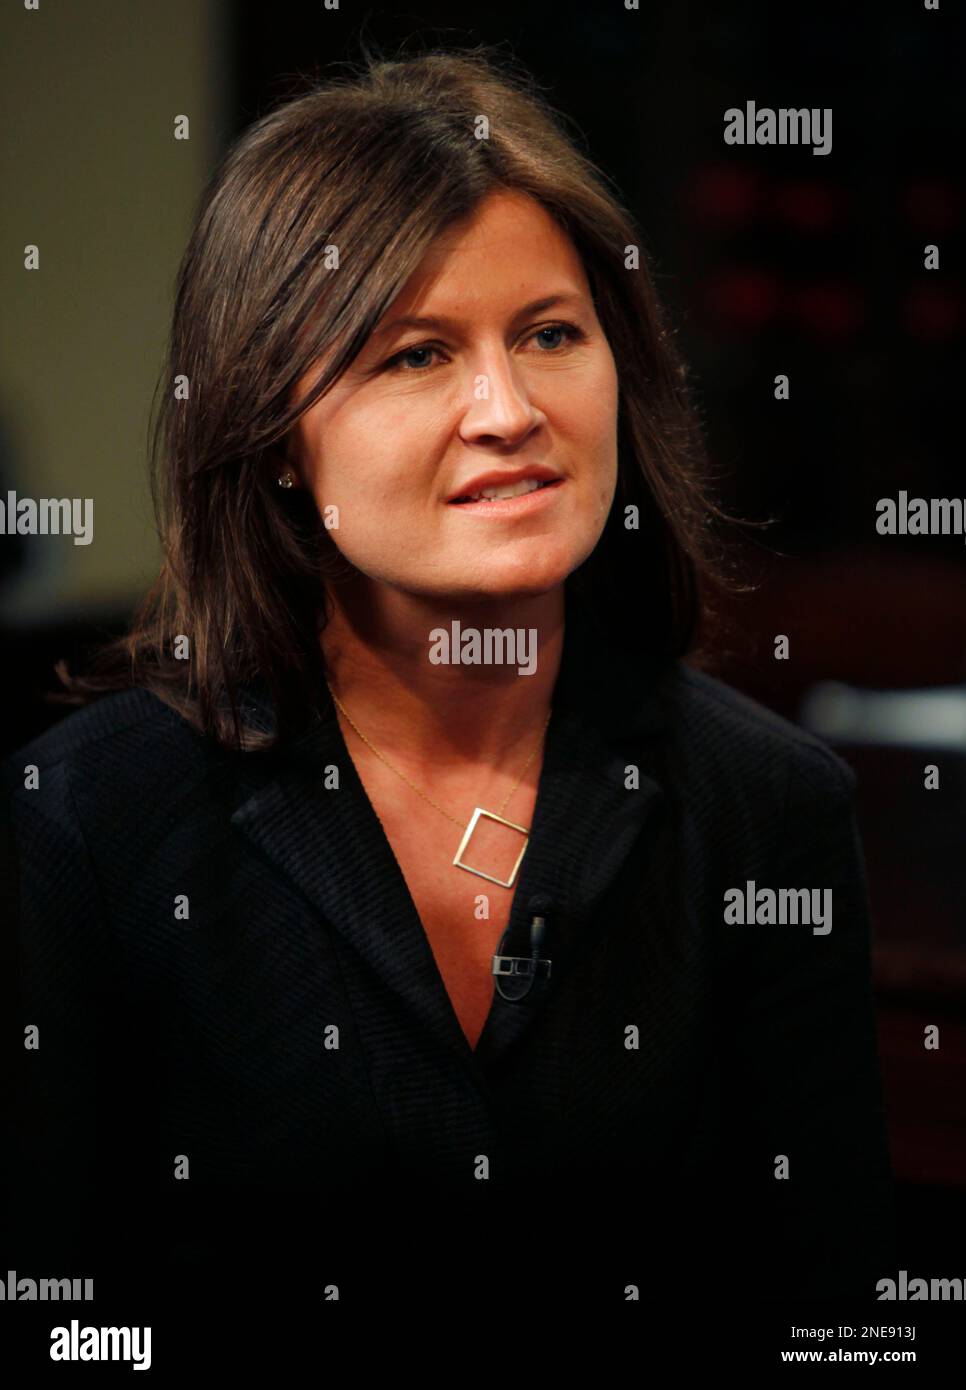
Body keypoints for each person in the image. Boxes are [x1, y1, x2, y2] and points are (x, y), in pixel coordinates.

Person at [0, 46, 893, 1317]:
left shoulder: (768, 805)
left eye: (549, 334)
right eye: (417, 355)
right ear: (273, 441)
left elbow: (836, 1323)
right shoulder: (82, 822)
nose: (509, 408)